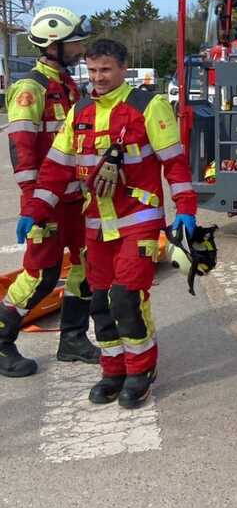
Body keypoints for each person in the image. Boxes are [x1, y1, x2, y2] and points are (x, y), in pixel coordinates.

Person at [19, 39, 197, 408]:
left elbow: (175, 163)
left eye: (106, 70)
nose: (98, 78)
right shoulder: (80, 110)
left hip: (139, 220)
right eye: (92, 70)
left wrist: (186, 208)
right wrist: (35, 209)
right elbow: (55, 168)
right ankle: (113, 370)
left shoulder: (148, 106)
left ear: (123, 68)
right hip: (96, 223)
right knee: (99, 301)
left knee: (127, 298)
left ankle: (141, 370)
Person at [1, 6, 99, 377]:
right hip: (48, 202)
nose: (81, 49)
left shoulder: (68, 85)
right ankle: (1, 339)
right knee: (40, 274)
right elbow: (23, 151)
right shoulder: (30, 89)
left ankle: (73, 339)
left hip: (77, 201)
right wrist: (33, 203)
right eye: (75, 43)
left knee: (86, 267)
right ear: (53, 45)